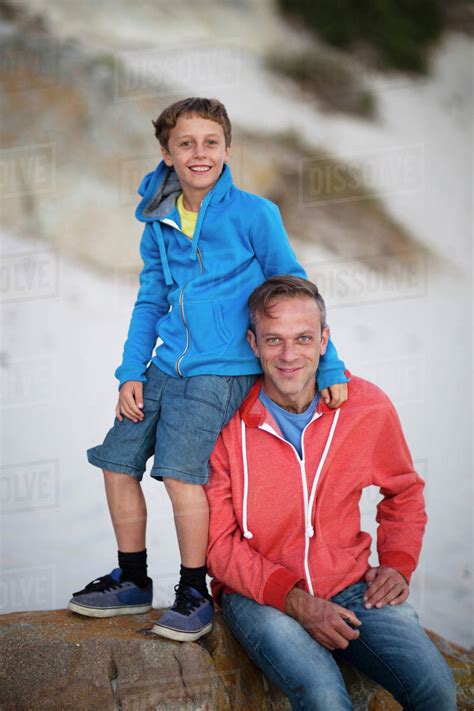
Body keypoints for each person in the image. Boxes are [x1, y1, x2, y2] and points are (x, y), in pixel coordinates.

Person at [67, 98, 349, 641]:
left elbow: (295, 290)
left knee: (179, 473)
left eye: (211, 142)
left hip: (222, 370)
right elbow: (150, 299)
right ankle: (131, 579)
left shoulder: (254, 214)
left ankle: (194, 589)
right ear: (168, 154)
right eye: (186, 144)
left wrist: (329, 365)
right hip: (164, 365)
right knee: (116, 459)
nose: (200, 153)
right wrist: (130, 371)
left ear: (227, 148)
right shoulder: (157, 220)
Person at [206, 275, 457, 709]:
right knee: (324, 696)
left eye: (303, 338)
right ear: (253, 343)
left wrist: (397, 562)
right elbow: (217, 544)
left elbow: (404, 492)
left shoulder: (364, 406)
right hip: (258, 596)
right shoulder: (225, 423)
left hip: (350, 584)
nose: (288, 355)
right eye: (274, 339)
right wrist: (296, 601)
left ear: (324, 340)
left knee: (435, 689)